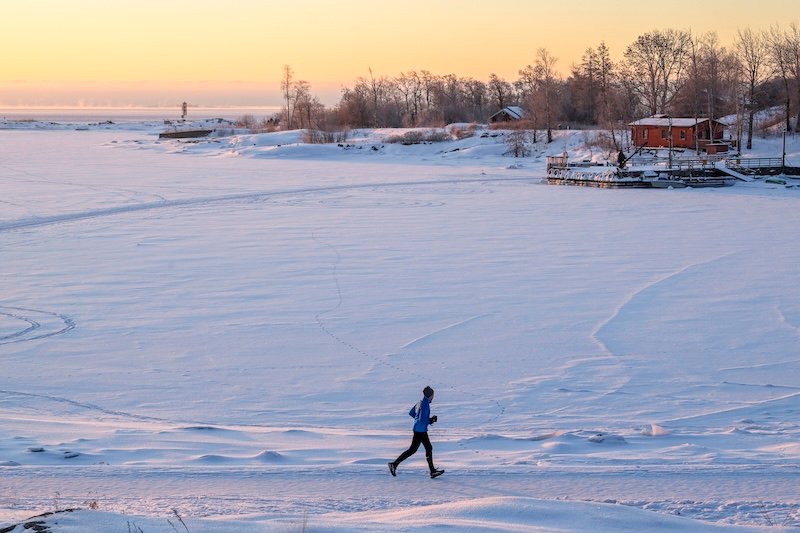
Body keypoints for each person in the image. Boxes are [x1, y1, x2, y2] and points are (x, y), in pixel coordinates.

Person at [388, 385, 444, 478]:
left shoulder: (420, 402)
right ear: (430, 395)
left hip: (419, 429)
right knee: (413, 450)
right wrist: (431, 420)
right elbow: (422, 419)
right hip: (420, 430)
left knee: (428, 448)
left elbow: (412, 413)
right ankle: (394, 464)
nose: (433, 397)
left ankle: (432, 471)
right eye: (433, 395)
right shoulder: (425, 405)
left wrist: (419, 419)